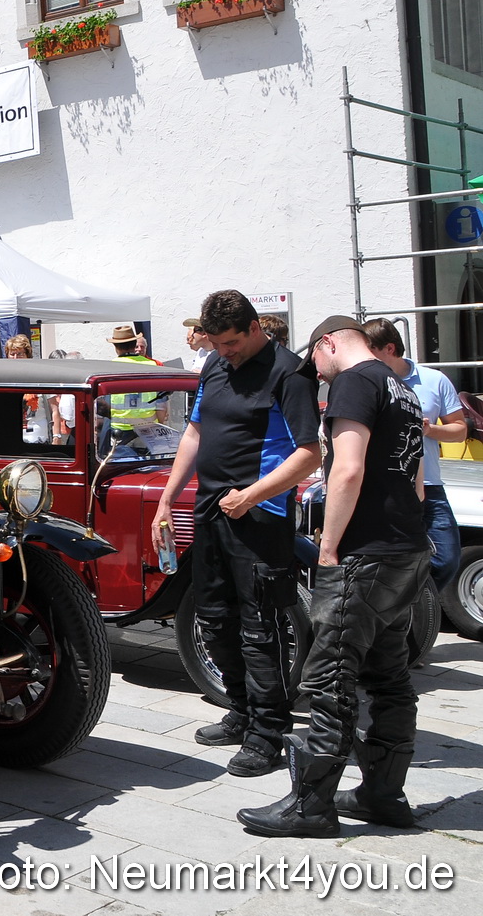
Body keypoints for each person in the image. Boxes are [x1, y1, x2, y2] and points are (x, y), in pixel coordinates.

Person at [238, 317, 429, 837]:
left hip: (364, 554)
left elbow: (345, 468)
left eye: (315, 365)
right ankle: (382, 793)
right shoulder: (400, 386)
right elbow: (413, 479)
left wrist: (327, 546)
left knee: (328, 677)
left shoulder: (354, 380)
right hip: (403, 548)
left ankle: (312, 806)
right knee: (389, 676)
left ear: (329, 344)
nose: (317, 376)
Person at [152, 290, 321, 777]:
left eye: (230, 342)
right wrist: (167, 497)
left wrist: (250, 495)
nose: (222, 351)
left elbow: (311, 453)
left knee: (259, 627)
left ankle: (269, 732)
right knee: (214, 617)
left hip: (261, 515)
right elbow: (195, 433)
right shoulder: (214, 366)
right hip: (210, 510)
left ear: (253, 328)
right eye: (215, 343)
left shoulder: (289, 372)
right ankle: (242, 711)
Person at [364, 318, 465, 590]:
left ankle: (416, 604)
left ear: (389, 348)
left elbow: (459, 431)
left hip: (429, 485)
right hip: (387, 487)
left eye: (369, 350)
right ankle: (409, 611)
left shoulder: (434, 380)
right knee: (390, 559)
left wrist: (430, 430)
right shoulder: (366, 382)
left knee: (446, 558)